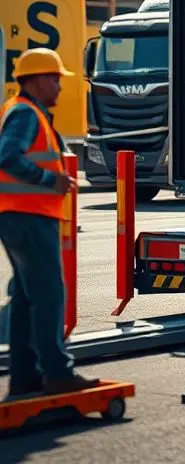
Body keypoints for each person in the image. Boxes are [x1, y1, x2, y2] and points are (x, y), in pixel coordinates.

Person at [0, 47, 98, 400]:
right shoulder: (26, 114)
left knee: (27, 297)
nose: (59, 85)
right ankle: (57, 373)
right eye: (55, 78)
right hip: (28, 215)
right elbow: (7, 155)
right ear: (37, 79)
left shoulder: (24, 111)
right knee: (50, 294)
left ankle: (25, 377)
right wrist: (50, 181)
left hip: (18, 215)